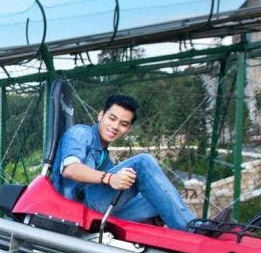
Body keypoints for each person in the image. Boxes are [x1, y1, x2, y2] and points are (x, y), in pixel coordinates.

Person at [52, 92, 198, 231]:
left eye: (123, 124)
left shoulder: (105, 157)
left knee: (161, 199)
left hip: (98, 211)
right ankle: (193, 230)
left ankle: (180, 240)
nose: (115, 126)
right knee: (142, 163)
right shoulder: (81, 133)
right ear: (101, 115)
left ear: (128, 129)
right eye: (112, 118)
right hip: (76, 206)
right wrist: (110, 178)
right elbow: (70, 169)